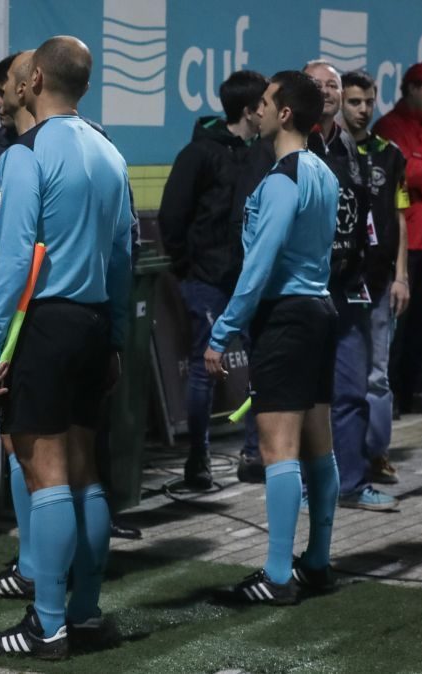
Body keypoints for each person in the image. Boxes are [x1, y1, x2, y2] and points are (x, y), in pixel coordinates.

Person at [0, 35, 132, 659]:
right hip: (94, 323)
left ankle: (46, 625)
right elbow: (123, 258)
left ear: (34, 79)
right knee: (87, 474)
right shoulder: (109, 153)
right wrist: (116, 336)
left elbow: (10, 261)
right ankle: (85, 614)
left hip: (45, 325)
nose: (10, 87)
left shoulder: (24, 154)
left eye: (17, 78)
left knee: (47, 480)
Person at [205, 70, 339, 604]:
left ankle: (278, 575)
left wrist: (223, 332)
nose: (255, 110)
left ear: (284, 113)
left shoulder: (285, 177)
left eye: (264, 102)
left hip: (287, 317)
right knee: (317, 447)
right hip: (319, 313)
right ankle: (318, 561)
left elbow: (259, 265)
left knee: (278, 449)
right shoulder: (322, 172)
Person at [158, 69, 268, 489]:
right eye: (265, 105)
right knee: (207, 368)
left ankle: (255, 452)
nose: (270, 111)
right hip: (207, 280)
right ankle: (198, 458)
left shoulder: (262, 153)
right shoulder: (201, 154)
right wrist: (190, 268)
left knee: (262, 363)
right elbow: (172, 216)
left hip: (250, 281)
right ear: (249, 110)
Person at [303, 60, 397, 511]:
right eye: (317, 84)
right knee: (304, 395)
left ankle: (352, 484)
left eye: (333, 85)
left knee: (352, 391)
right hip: (300, 290)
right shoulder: (286, 145)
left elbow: (368, 220)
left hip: (348, 288)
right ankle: (304, 486)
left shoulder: (352, 151)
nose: (327, 92)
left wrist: (368, 267)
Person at [338, 70, 410, 486]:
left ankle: (376, 453)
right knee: (343, 372)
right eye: (354, 102)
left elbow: (399, 217)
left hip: (381, 282)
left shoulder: (390, 154)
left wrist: (402, 275)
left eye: (368, 102)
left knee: (377, 374)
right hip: (341, 282)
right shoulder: (326, 150)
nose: (363, 110)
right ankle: (342, 453)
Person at [373, 63, 422, 417]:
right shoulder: (389, 127)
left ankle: (416, 389)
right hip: (404, 244)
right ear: (411, 88)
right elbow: (403, 171)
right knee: (396, 327)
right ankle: (388, 394)